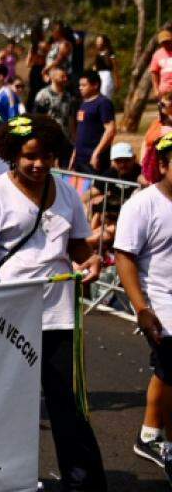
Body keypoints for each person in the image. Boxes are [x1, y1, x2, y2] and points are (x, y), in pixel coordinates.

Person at [0, 114, 107, 491]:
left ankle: (83, 482)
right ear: (13, 155)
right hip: (11, 315)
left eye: (46, 155)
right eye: (30, 156)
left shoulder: (67, 192)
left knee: (68, 404)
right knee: (9, 403)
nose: (39, 163)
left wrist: (89, 260)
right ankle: (5, 479)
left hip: (60, 314)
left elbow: (76, 245)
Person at [115, 132, 172, 476]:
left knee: (167, 374)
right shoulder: (142, 204)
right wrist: (142, 309)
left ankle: (150, 433)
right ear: (164, 164)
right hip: (162, 305)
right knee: (170, 370)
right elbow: (124, 257)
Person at [71, 70, 116, 174]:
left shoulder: (103, 103)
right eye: (79, 85)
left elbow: (110, 130)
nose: (80, 88)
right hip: (80, 159)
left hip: (94, 160)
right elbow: (80, 131)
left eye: (84, 85)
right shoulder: (83, 104)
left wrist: (96, 153)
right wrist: (74, 154)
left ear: (95, 85)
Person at [34, 66, 76, 142]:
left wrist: (74, 138)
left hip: (65, 138)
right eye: (62, 77)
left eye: (66, 76)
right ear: (53, 77)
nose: (65, 79)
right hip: (49, 138)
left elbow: (71, 118)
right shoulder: (43, 95)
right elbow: (37, 118)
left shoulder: (68, 96)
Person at [151, 30, 172, 97]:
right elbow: (154, 73)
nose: (166, 44)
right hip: (165, 90)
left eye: (168, 41)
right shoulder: (157, 54)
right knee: (166, 107)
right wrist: (155, 89)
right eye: (163, 42)